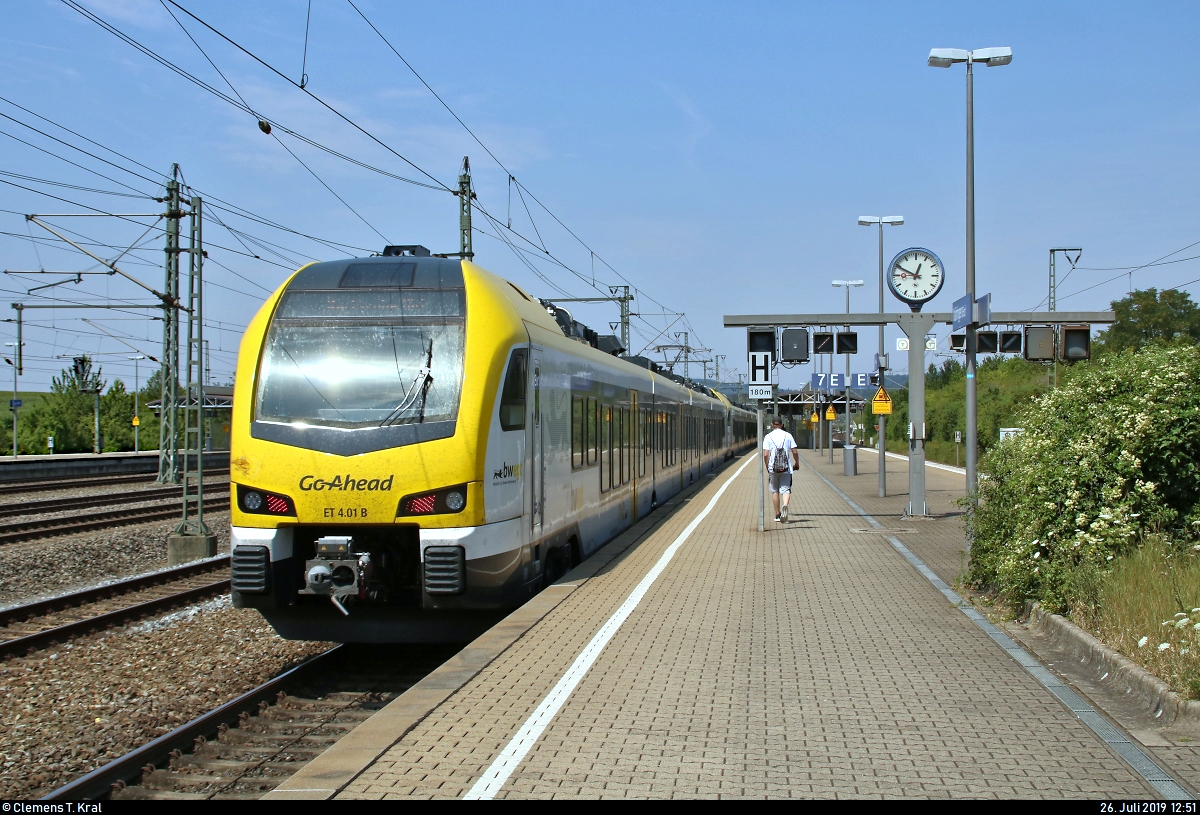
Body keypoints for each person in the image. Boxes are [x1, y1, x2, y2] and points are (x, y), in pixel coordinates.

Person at [762, 417, 799, 522]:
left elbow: (765, 454)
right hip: (786, 468)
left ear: (772, 425)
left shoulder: (768, 437)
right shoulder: (788, 436)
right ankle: (785, 505)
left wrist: (767, 466)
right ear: (782, 425)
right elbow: (795, 451)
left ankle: (778, 514)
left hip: (773, 469)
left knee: (775, 491)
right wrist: (796, 463)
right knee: (786, 489)